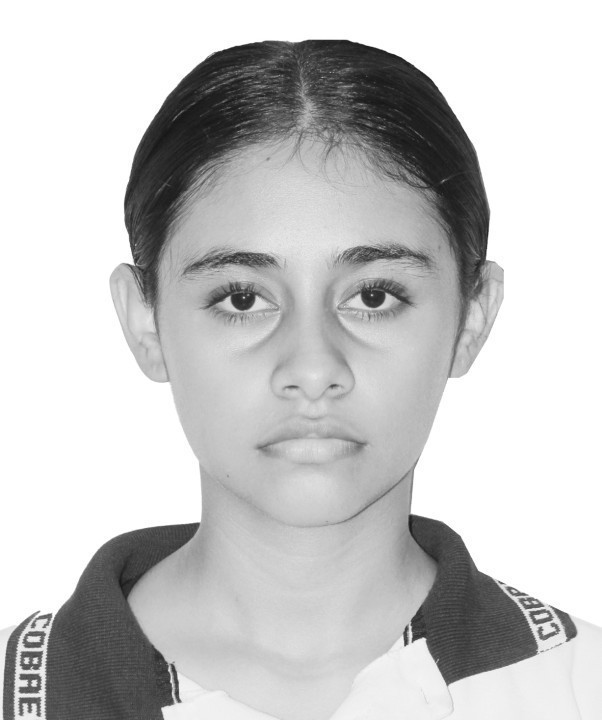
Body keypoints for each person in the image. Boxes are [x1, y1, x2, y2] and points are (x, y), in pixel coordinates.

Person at [1, 39, 600, 720]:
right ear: (145, 322)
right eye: (242, 298)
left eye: (373, 296)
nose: (313, 370)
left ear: (472, 318)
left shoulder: (581, 688)